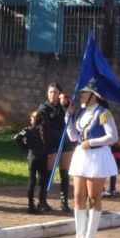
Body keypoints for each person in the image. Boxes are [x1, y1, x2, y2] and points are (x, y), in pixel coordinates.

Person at [65, 79, 119, 238]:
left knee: (94, 198)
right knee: (78, 197)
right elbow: (74, 137)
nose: (81, 95)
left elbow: (113, 137)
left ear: (94, 95)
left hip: (97, 156)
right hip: (81, 155)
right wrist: (68, 118)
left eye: (84, 92)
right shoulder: (80, 112)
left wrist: (92, 142)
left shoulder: (104, 113)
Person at [38, 83, 73, 213]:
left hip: (65, 142)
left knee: (65, 173)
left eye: (56, 92)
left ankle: (64, 202)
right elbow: (45, 126)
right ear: (47, 93)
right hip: (51, 144)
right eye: (51, 92)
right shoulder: (43, 108)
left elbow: (70, 117)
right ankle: (42, 200)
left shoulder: (64, 107)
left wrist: (67, 104)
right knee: (47, 173)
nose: (53, 95)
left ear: (60, 94)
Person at [15, 110, 50, 213]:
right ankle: (41, 204)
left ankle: (31, 205)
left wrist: (27, 147)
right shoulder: (46, 131)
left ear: (32, 120)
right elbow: (52, 142)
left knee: (32, 181)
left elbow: (17, 137)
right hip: (43, 157)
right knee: (42, 182)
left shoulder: (28, 130)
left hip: (32, 157)